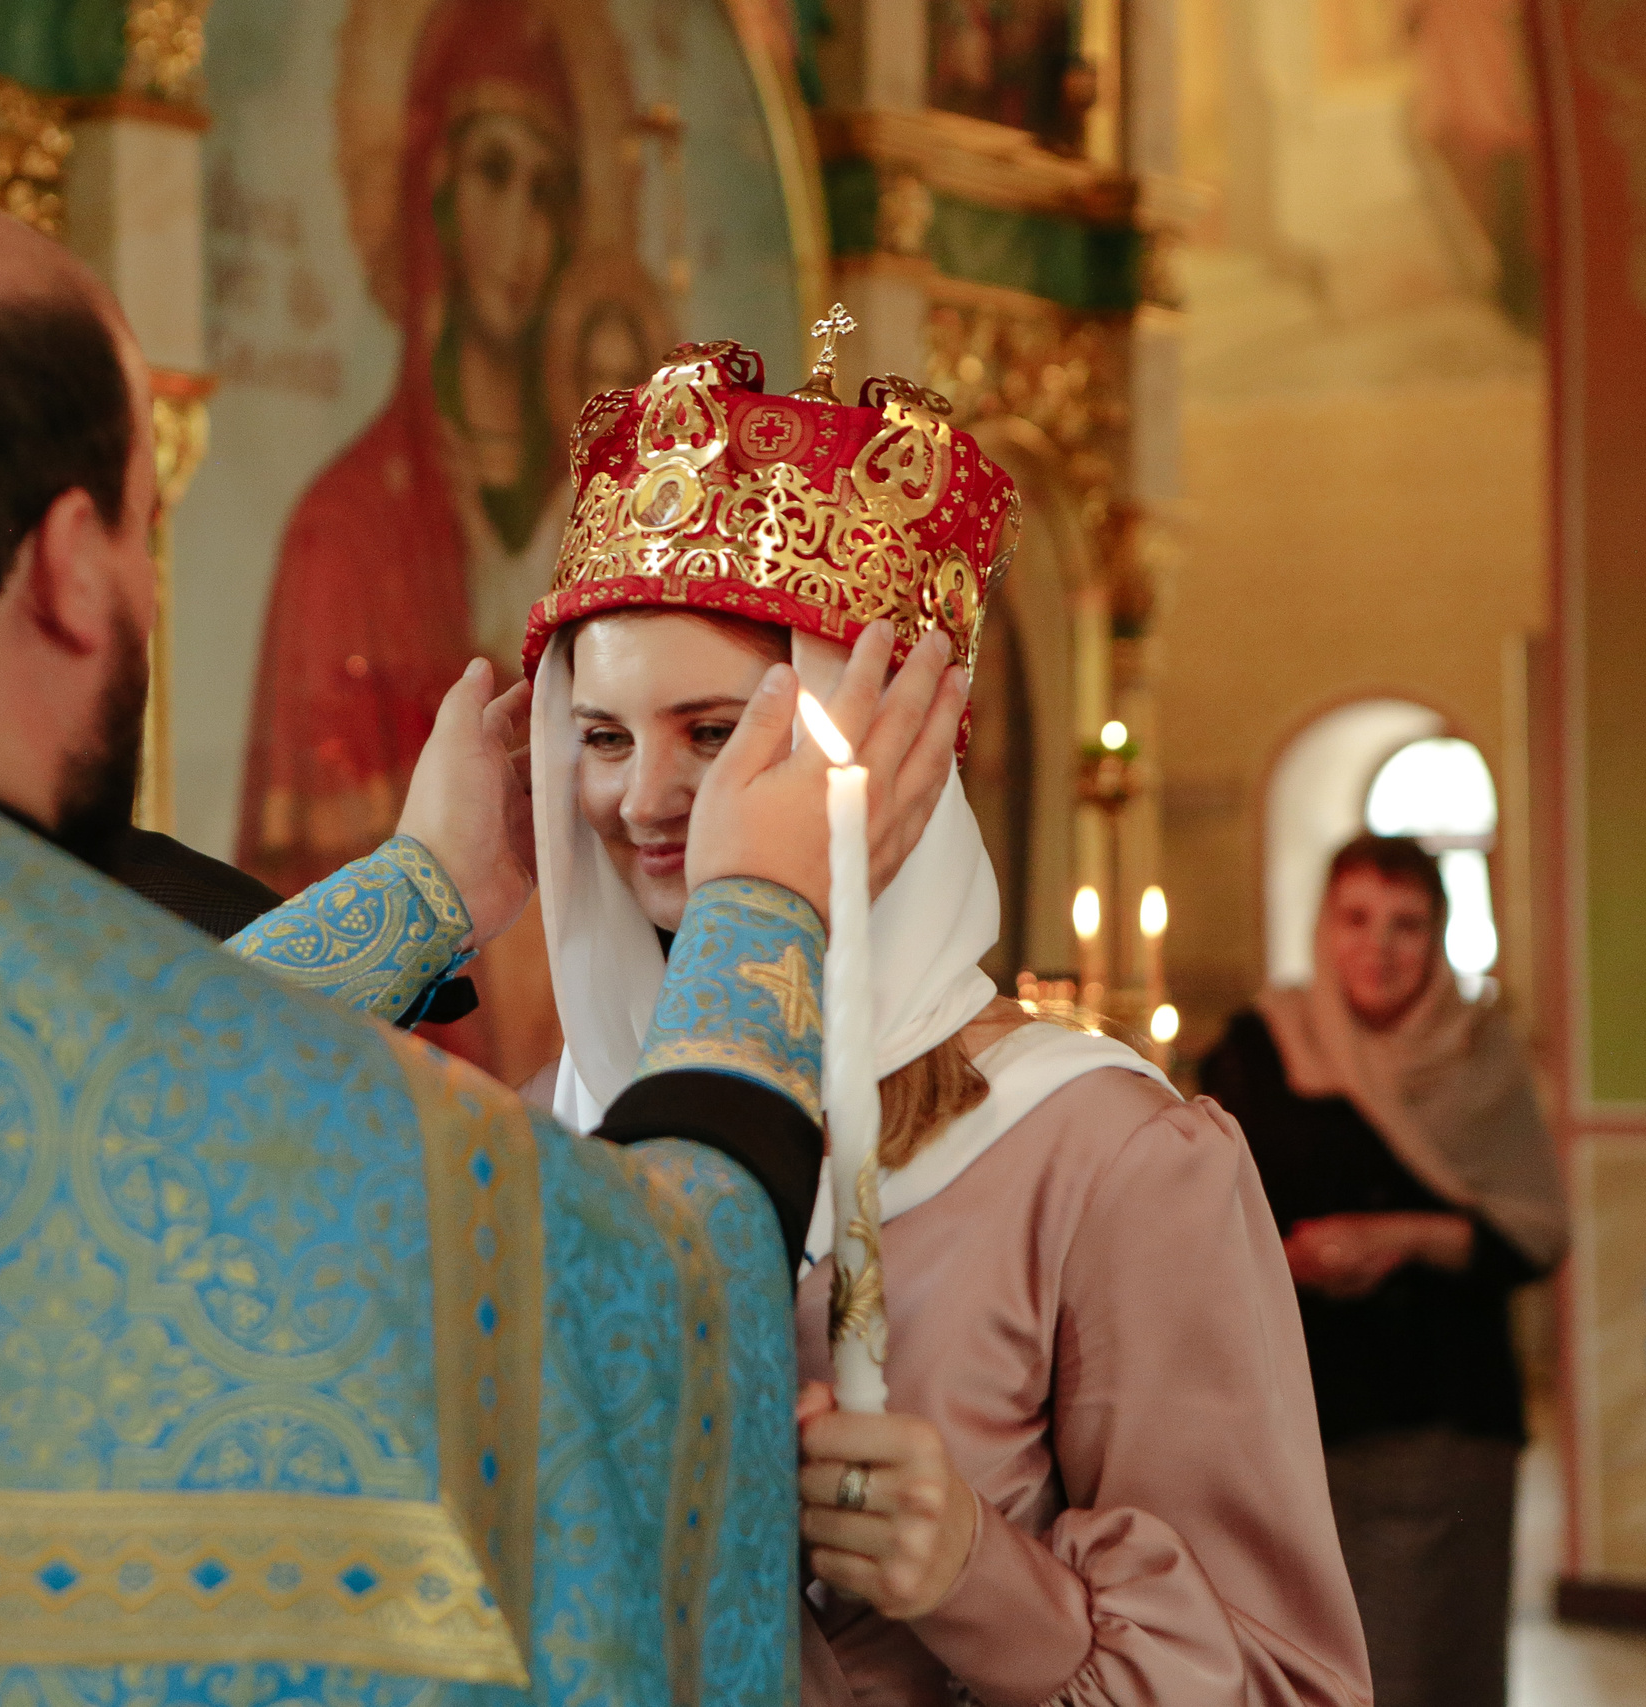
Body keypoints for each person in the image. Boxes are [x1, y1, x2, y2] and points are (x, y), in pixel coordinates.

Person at [0, 178, 956, 1704]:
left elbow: (41, 1067)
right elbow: (646, 1345)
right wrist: (768, 911)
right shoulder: (378, 1176)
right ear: (74, 568)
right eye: (149, 528)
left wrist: (420, 895)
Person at [522, 335, 1371, 1705]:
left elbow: (1292, 1683)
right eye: (606, 736)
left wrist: (979, 1574)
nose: (644, 799)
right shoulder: (556, 1121)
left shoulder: (1103, 1155)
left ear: (896, 743)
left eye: (720, 731)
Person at [237, 0, 667, 1080]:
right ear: (429, 189)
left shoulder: (625, 514)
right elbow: (290, 894)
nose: (518, 234)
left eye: (548, 187)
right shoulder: (340, 533)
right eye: (491, 173)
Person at [1200, 832, 1568, 1707]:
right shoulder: (1259, 1048)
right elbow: (1202, 1217)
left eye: (1408, 924)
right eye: (1356, 918)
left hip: (1441, 1425)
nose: (1380, 946)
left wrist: (1402, 1236)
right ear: (1322, 927)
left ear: (1440, 936)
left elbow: (1533, 1235)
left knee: (1431, 1673)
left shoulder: (1480, 1050)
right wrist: (1283, 1256)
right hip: (1287, 1424)